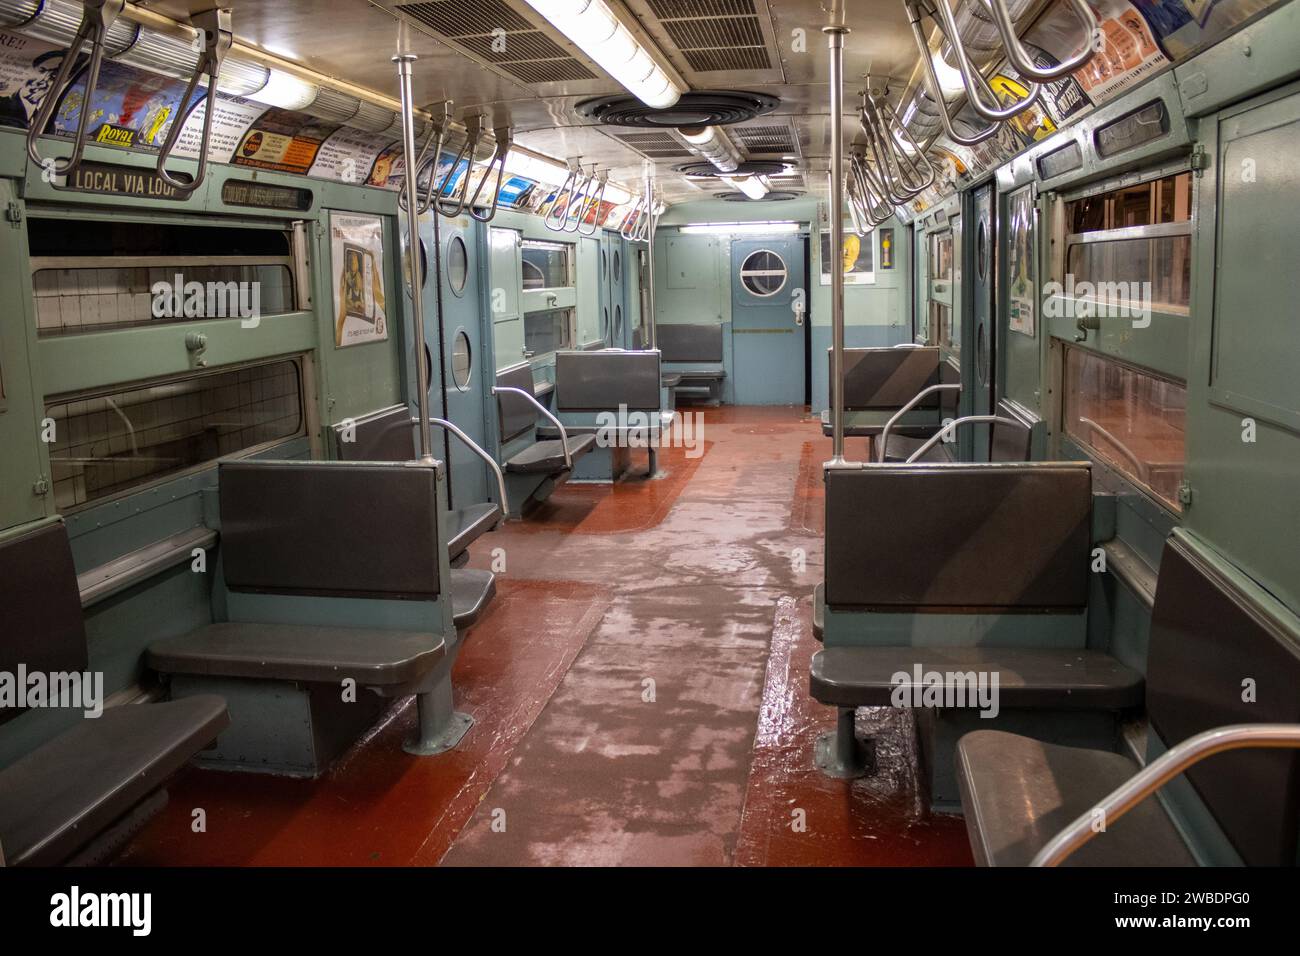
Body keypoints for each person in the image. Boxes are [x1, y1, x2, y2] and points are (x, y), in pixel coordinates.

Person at [0, 49, 69, 130]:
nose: (42, 81)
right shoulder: (3, 107)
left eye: (53, 77)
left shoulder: (47, 123)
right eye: (41, 70)